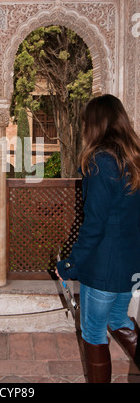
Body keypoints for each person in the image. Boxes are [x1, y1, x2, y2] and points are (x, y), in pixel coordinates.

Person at [56, 94, 140, 383]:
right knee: (118, 320)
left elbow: (94, 224)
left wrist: (72, 264)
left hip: (104, 268)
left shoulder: (101, 161)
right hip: (130, 265)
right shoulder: (134, 160)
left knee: (93, 331)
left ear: (95, 124)